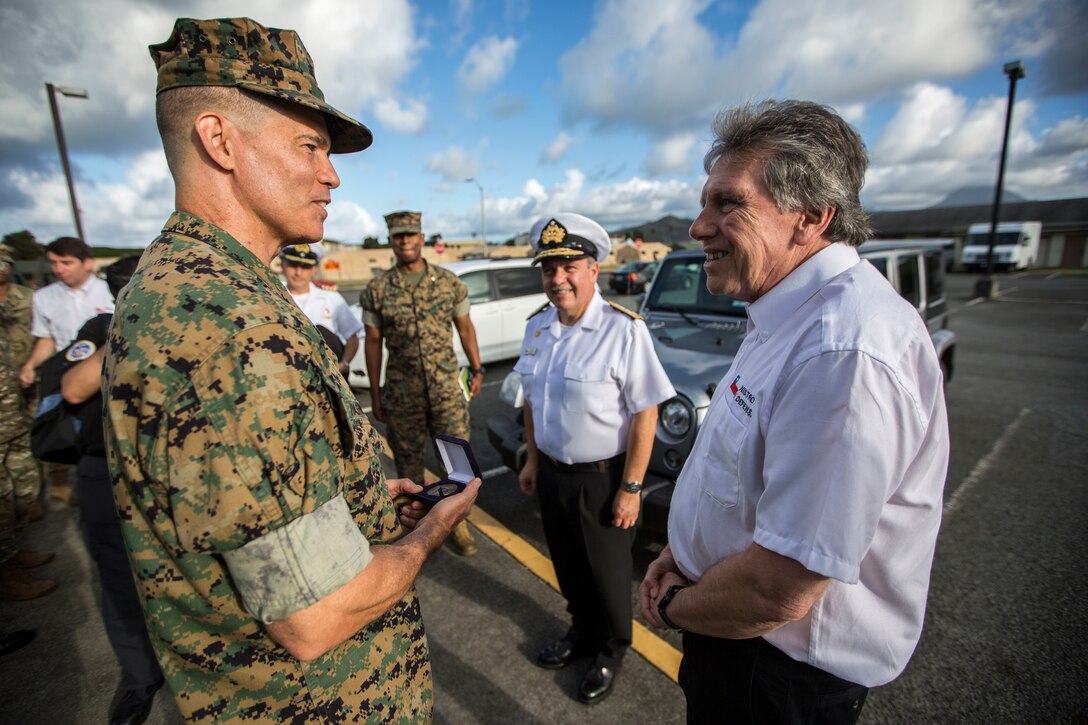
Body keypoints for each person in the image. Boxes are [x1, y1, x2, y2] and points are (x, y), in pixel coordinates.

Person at [103, 17, 478, 722]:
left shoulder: (204, 288)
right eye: (310, 145)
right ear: (219, 141)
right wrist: (427, 529)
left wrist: (363, 498)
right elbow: (318, 614)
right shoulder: (222, 325)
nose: (331, 173)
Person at [639, 100, 949, 724]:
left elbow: (780, 588)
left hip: (777, 675)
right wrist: (684, 553)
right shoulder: (785, 310)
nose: (698, 227)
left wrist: (674, 606)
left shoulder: (843, 353)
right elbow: (742, 477)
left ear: (811, 218)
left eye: (727, 203)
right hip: (741, 642)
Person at [514, 213, 675, 704]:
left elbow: (645, 413)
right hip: (554, 476)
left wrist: (631, 488)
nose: (557, 279)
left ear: (593, 268)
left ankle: (610, 649)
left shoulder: (623, 330)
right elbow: (531, 402)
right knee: (568, 566)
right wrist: (532, 462)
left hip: (603, 482)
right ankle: (581, 632)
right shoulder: (537, 327)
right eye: (548, 269)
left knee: (606, 576)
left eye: (568, 266)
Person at [59, 255, 165, 724]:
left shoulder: (185, 324)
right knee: (122, 581)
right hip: (107, 471)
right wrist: (128, 327)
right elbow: (73, 389)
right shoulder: (100, 328)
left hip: (169, 473)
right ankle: (140, 678)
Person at [360, 210, 484, 556]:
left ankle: (458, 525)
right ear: (391, 241)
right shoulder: (378, 289)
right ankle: (416, 534)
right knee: (409, 469)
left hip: (446, 391)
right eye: (399, 236)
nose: (405, 241)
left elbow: (465, 328)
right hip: (402, 395)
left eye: (411, 235)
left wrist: (477, 369)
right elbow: (373, 342)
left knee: (458, 467)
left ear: (422, 238)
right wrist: (376, 392)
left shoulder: (448, 282)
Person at [20, 236, 113, 505]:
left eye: (66, 262)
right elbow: (47, 339)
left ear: (87, 263)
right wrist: (30, 365)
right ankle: (72, 487)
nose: (59, 269)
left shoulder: (112, 292)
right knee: (63, 433)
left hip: (99, 377)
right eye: (54, 263)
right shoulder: (44, 297)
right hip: (65, 375)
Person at [0, 244, 45, 527]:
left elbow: (43, 335)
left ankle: (25, 516)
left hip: (26, 379)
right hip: (7, 393)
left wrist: (30, 365)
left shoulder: (29, 298)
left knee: (30, 445)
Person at [279, 242, 362, 378]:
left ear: (314, 269)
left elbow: (352, 337)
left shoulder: (331, 298)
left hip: (326, 377)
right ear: (282, 265)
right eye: (293, 265)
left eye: (305, 266)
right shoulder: (273, 296)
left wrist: (343, 365)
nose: (298, 272)